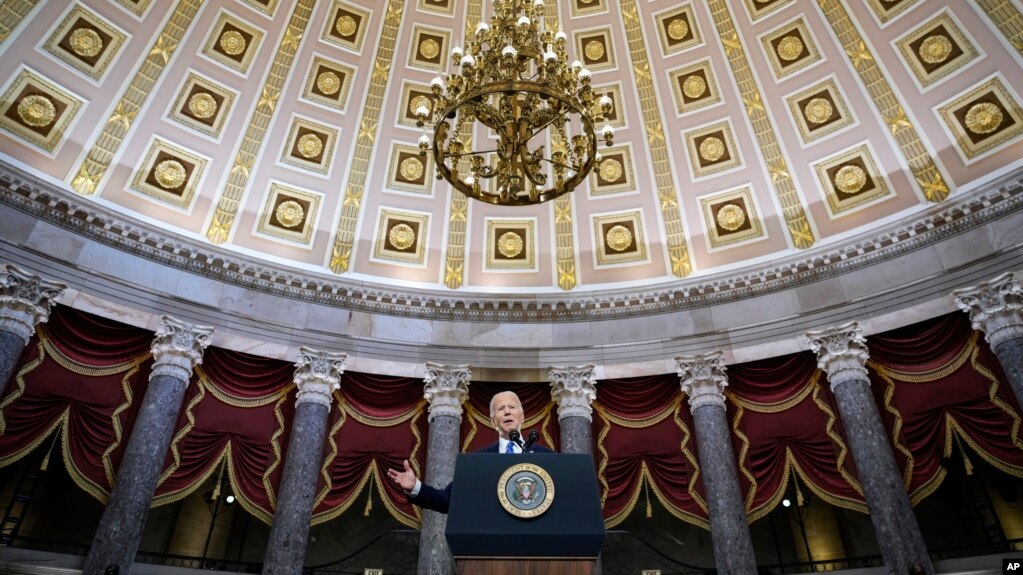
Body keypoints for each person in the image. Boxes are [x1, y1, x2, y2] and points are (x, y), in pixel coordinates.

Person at [386, 390, 554, 513]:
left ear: (522, 417)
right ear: (493, 421)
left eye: (512, 407)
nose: (507, 411)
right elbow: (448, 500)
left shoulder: (548, 458)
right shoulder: (476, 461)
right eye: (501, 409)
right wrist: (415, 487)